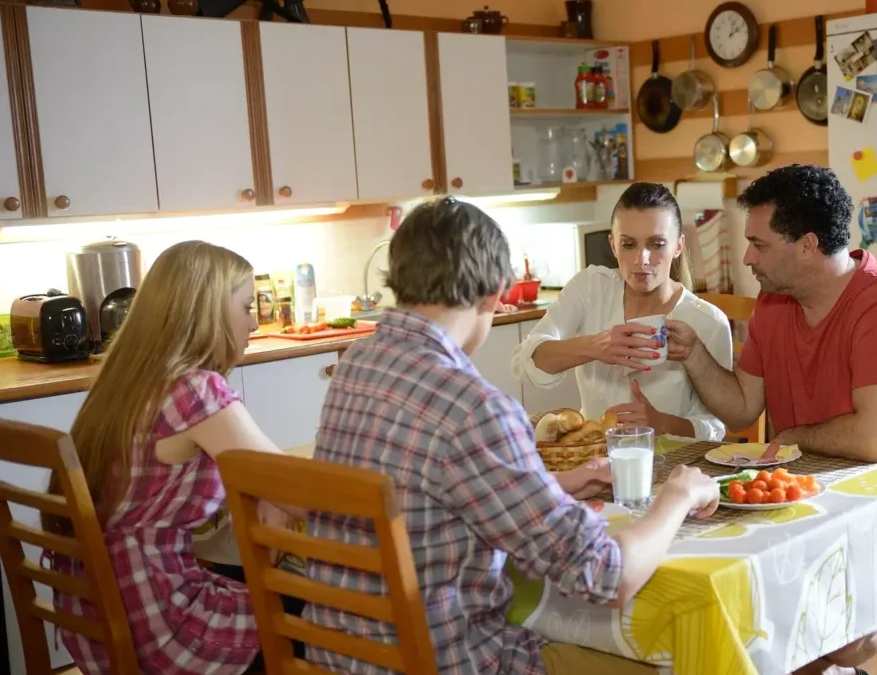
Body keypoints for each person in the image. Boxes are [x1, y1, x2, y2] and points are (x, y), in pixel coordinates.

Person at [306, 197, 721, 675]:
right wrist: (677, 496)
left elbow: (427, 489)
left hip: (342, 657)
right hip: (453, 661)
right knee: (678, 660)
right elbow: (605, 575)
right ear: (493, 293)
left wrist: (557, 484)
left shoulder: (357, 363)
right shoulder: (476, 408)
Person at [666, 165, 877, 675]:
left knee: (825, 633)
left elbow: (873, 440)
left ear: (808, 245)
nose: (748, 257)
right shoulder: (774, 302)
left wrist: (792, 437)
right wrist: (694, 356)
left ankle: (847, 657)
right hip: (810, 493)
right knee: (716, 596)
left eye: (759, 243)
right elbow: (741, 406)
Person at [42, 240, 305, 675]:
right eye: (245, 307)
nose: (254, 324)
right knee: (332, 615)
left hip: (100, 623)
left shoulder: (120, 385)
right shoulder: (194, 390)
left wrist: (274, 492)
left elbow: (275, 483)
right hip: (167, 630)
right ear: (208, 313)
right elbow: (301, 492)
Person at [512, 182, 733, 441]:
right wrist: (595, 346)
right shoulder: (590, 287)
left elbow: (716, 427)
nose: (642, 259)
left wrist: (662, 423)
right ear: (613, 245)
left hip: (673, 466)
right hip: (593, 458)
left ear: (678, 246)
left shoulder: (707, 321)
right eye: (629, 244)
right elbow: (525, 363)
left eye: (657, 243)